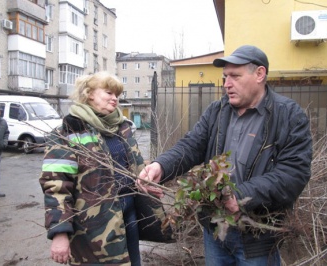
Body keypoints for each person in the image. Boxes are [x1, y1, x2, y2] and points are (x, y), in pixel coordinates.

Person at [138, 45, 312, 265]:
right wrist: (160, 166)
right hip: (215, 231)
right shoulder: (217, 111)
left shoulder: (288, 116)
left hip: (256, 236)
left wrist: (240, 196)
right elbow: (192, 145)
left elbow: (293, 174)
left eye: (235, 76)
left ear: (259, 74)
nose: (227, 84)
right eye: (225, 77)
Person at [39, 71, 145, 265]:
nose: (115, 99)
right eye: (109, 93)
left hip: (128, 215)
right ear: (89, 94)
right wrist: (60, 232)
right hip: (91, 226)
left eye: (117, 95)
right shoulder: (69, 132)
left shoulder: (122, 128)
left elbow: (136, 168)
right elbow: (57, 185)